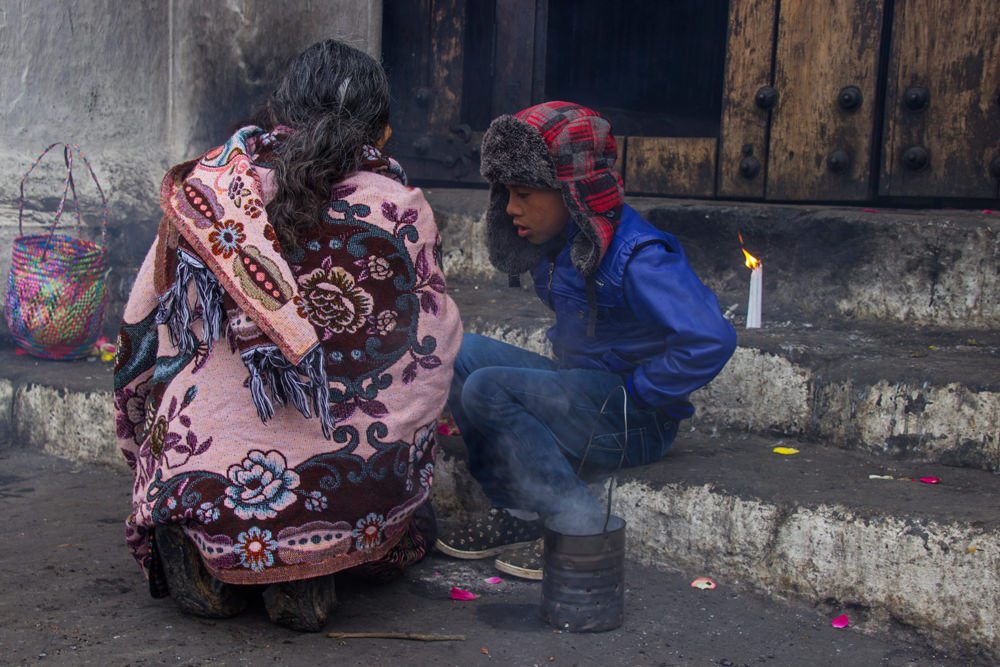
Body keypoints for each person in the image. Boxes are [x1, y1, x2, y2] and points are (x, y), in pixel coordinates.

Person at [114, 39, 462, 631]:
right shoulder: (400, 207)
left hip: (208, 483)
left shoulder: (207, 196)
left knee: (187, 393)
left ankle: (200, 538)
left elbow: (140, 339)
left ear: (279, 115)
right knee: (412, 522)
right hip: (347, 493)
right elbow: (431, 359)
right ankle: (313, 564)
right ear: (381, 135)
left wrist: (138, 439)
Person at [436, 101, 736, 580]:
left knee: (490, 388)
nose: (511, 208)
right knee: (460, 355)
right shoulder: (558, 244)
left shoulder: (639, 258)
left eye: (525, 194)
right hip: (581, 391)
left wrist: (639, 391)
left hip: (634, 417)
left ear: (572, 192)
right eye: (507, 193)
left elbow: (711, 339)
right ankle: (516, 513)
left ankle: (576, 525)